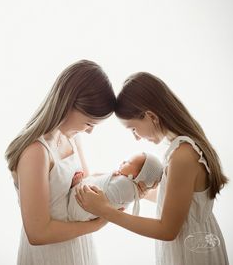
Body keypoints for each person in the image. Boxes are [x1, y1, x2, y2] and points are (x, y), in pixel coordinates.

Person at [76, 72, 229, 265]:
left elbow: (167, 230)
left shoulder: (182, 155)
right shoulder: (183, 148)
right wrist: (142, 193)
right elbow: (184, 204)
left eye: (133, 128)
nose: (136, 137)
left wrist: (107, 211)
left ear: (150, 116)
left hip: (191, 253)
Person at [5, 59, 116, 265]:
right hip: (50, 256)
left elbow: (83, 185)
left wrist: (114, 179)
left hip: (79, 249)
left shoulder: (72, 138)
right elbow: (38, 233)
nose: (90, 130)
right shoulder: (36, 152)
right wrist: (97, 225)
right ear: (68, 104)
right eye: (89, 122)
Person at [68, 152, 163, 221]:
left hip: (81, 206)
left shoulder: (126, 186)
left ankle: (76, 187)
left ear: (138, 176)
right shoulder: (125, 184)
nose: (123, 161)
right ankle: (77, 186)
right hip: (82, 210)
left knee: (84, 191)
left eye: (129, 162)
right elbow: (100, 183)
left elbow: (104, 195)